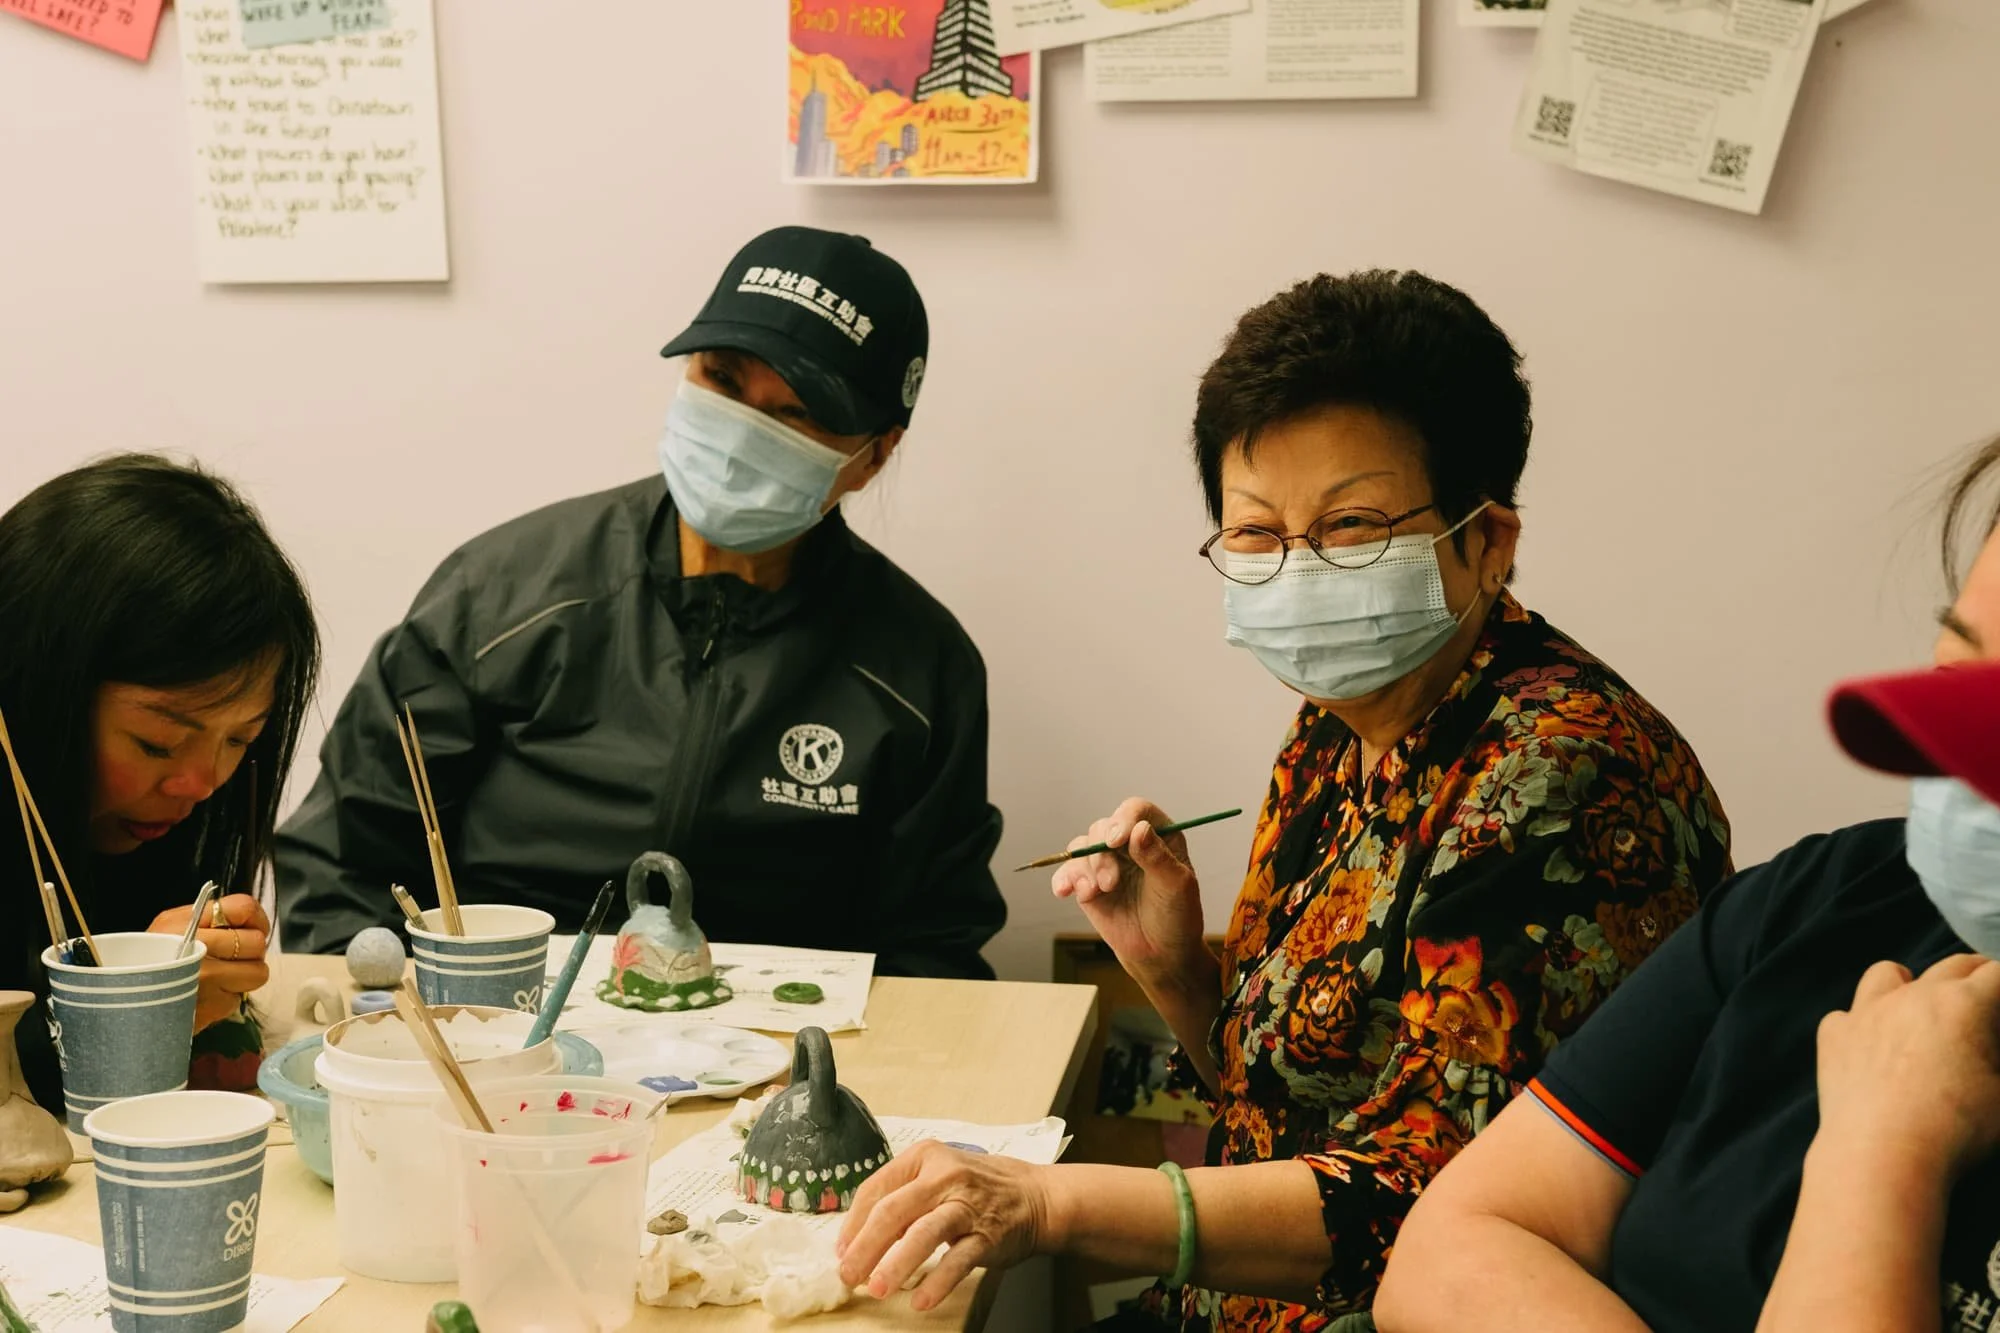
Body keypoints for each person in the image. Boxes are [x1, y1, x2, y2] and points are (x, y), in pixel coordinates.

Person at [833, 271, 1734, 1330]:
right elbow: (1299, 1107)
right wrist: (1176, 973)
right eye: (1256, 534)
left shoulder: (1562, 780)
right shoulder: (1336, 726)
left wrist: (1046, 1200)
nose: (1299, 573)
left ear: (1487, 541)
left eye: (1350, 526)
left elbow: (1428, 1211)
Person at [1372, 437, 2000, 1333]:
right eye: (1955, 678)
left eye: (1351, 526)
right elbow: (1448, 1251)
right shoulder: (1830, 894)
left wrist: (1882, 1151)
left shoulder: (1560, 758)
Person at [275, 226, 1007, 979]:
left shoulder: (918, 671)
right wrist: (389, 1028)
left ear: (875, 452)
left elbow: (934, 952)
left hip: (783, 1057)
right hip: (495, 1033)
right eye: (722, 380)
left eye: (795, 413)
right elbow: (341, 861)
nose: (744, 428)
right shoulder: (503, 597)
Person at [0, 455, 320, 1113]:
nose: (202, 781)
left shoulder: (148, 830)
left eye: (242, 737)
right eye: (157, 742)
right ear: (37, 690)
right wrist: (124, 1022)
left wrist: (187, 1009)